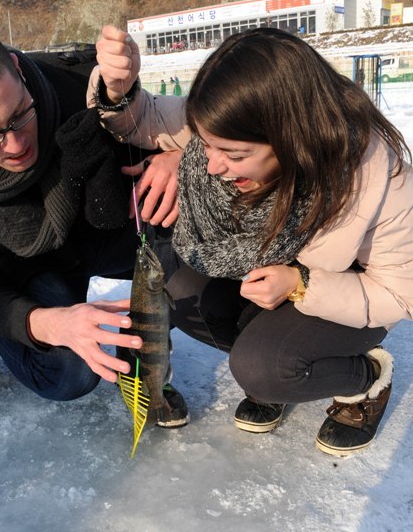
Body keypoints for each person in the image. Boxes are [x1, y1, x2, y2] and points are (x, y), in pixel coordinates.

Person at [90, 24, 413, 456]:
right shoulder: (229, 120)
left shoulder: (379, 180)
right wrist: (117, 90)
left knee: (261, 368)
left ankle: (364, 378)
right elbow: (144, 120)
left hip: (343, 297)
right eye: (204, 145)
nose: (212, 165)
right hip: (271, 278)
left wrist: (301, 283)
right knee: (183, 289)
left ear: (292, 138)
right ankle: (278, 356)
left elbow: (400, 292)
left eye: (235, 155)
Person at [0, 22, 188, 427]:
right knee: (70, 374)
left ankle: (144, 352)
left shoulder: (79, 87)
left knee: (183, 209)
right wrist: (50, 324)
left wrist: (179, 159)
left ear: (19, 71)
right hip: (11, 267)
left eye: (20, 116)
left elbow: (222, 130)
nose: (16, 145)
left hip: (94, 233)